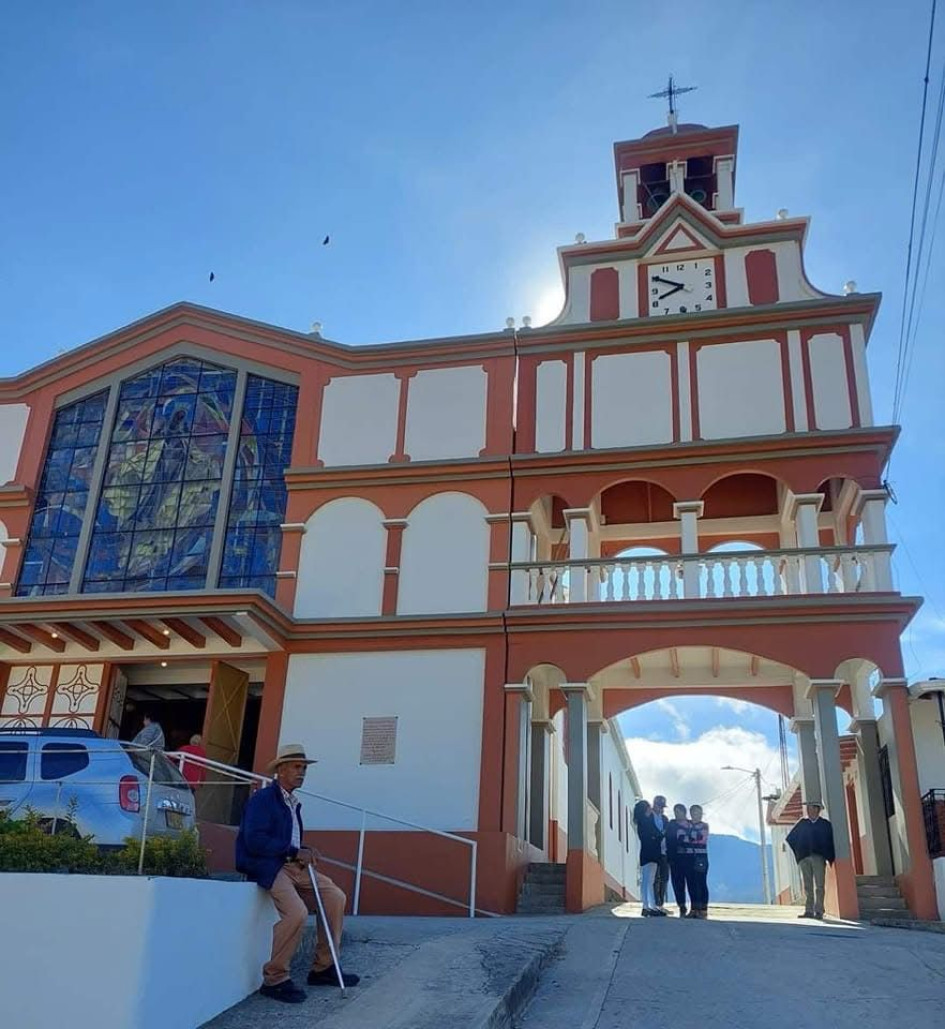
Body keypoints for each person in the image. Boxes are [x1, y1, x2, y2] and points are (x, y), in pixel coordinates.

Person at [236, 743, 359, 1004]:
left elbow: (287, 843)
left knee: (335, 897)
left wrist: (302, 850)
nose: (301, 772)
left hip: (293, 865)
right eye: (296, 767)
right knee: (297, 912)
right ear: (280, 769)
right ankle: (275, 978)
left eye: (303, 768)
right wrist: (293, 851)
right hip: (269, 865)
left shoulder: (293, 802)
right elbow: (254, 840)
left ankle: (324, 968)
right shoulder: (262, 800)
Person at [785, 800, 835, 920]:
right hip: (805, 858)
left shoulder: (825, 825)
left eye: (810, 807)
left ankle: (819, 911)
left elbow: (829, 841)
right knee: (807, 885)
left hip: (818, 858)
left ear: (817, 809)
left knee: (819, 885)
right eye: (807, 807)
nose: (808, 810)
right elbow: (791, 838)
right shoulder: (802, 823)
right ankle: (808, 910)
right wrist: (800, 854)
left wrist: (827, 855)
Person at [633, 799, 666, 917]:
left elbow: (657, 833)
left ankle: (652, 906)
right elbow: (651, 835)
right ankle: (645, 906)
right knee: (646, 880)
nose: (650, 808)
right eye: (648, 807)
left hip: (654, 853)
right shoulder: (642, 822)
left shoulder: (649, 820)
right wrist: (659, 835)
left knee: (651, 881)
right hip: (647, 853)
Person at [666, 802, 692, 917]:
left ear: (684, 813)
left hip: (689, 858)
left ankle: (695, 906)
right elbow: (668, 840)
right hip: (675, 859)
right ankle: (681, 905)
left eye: (679, 812)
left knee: (691, 883)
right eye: (675, 812)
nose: (677, 815)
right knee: (677, 883)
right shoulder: (671, 824)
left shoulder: (691, 825)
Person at [686, 804, 710, 919]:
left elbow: (701, 838)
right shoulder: (687, 824)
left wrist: (690, 837)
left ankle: (703, 909)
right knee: (691, 883)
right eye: (695, 812)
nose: (698, 815)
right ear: (691, 813)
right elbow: (682, 837)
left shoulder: (704, 825)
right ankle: (694, 908)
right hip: (688, 857)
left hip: (701, 857)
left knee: (701, 882)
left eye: (700, 813)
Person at [651, 795, 670, 912]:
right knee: (655, 877)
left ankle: (661, 900)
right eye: (659, 806)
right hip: (654, 851)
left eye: (662, 807)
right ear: (654, 805)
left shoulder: (664, 819)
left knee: (665, 877)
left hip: (665, 851)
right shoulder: (649, 817)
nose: (661, 809)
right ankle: (655, 901)